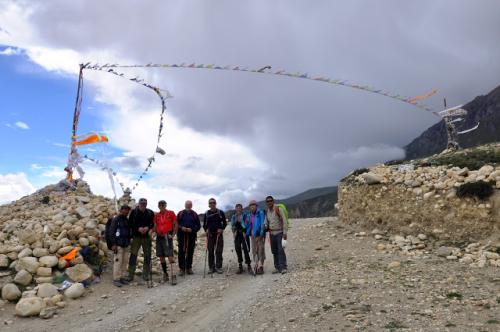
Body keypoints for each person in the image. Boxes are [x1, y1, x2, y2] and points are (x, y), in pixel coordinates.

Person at [127, 198, 155, 283]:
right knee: (133, 255)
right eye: (142, 203)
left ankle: (145, 274)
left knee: (147, 255)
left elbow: (153, 224)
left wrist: (148, 228)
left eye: (144, 203)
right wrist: (137, 229)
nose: (143, 205)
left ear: (146, 204)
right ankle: (130, 275)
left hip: (146, 237)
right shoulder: (134, 212)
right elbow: (130, 224)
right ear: (139, 204)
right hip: (136, 237)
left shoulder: (150, 213)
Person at [154, 200, 177, 284]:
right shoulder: (157, 215)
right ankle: (165, 274)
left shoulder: (170, 213)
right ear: (158, 206)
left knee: (170, 255)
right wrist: (154, 232)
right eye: (160, 205)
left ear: (165, 205)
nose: (161, 206)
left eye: (163, 204)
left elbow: (176, 224)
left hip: (167, 236)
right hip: (159, 237)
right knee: (161, 256)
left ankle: (173, 275)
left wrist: (173, 235)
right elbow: (155, 226)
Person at [109, 205, 132, 287]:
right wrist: (113, 244)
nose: (126, 211)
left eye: (127, 210)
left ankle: (122, 277)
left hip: (126, 244)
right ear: (121, 210)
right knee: (118, 262)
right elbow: (111, 232)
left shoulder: (127, 220)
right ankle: (116, 279)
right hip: (118, 245)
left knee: (125, 262)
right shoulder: (116, 219)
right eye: (125, 209)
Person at [264, 195, 288, 274]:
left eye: (270, 201)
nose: (269, 202)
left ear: (273, 201)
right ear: (266, 203)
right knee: (274, 251)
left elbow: (284, 221)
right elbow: (266, 222)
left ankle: (283, 267)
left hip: (279, 232)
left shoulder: (278, 209)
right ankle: (277, 267)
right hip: (271, 233)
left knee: (280, 250)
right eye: (267, 201)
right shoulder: (267, 211)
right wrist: (265, 226)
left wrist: (285, 233)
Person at [203, 198, 227, 274]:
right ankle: (211, 267)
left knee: (219, 251)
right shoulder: (206, 213)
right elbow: (204, 225)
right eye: (210, 203)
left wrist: (222, 229)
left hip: (218, 234)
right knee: (210, 251)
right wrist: (206, 230)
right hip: (210, 235)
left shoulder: (221, 212)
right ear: (209, 204)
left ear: (215, 203)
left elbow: (225, 223)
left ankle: (218, 267)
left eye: (213, 202)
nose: (212, 204)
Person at [177, 200, 200, 276]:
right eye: (187, 205)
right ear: (185, 205)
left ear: (191, 206)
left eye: (189, 205)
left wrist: (192, 229)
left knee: (190, 251)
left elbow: (198, 226)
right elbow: (176, 224)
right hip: (182, 235)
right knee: (181, 252)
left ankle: (189, 268)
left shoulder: (194, 214)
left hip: (191, 235)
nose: (188, 206)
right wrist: (181, 228)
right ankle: (181, 269)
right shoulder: (180, 213)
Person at [246, 200, 266, 274]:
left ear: (256, 206)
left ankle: (261, 266)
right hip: (252, 234)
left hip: (259, 234)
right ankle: (256, 264)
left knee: (260, 249)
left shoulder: (260, 213)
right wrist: (247, 233)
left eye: (253, 205)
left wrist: (260, 234)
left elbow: (262, 224)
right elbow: (249, 225)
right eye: (251, 205)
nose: (252, 206)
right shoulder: (250, 215)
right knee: (254, 250)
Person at [231, 203, 251, 274]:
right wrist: (234, 231)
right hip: (237, 234)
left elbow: (246, 225)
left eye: (239, 208)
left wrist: (241, 222)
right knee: (237, 248)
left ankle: (249, 265)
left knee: (245, 249)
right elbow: (232, 225)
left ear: (242, 209)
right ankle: (240, 266)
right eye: (237, 208)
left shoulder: (245, 215)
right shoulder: (234, 216)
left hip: (244, 234)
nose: (238, 209)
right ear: (236, 209)